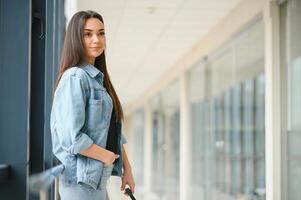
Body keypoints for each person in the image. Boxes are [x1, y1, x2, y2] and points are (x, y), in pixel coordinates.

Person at [50, 10, 135, 200]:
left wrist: (126, 168)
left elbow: (112, 130)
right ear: (75, 39)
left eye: (101, 33)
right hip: (79, 184)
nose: (96, 39)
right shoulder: (74, 77)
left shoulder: (98, 80)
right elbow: (72, 139)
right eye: (87, 34)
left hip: (96, 182)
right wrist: (107, 157)